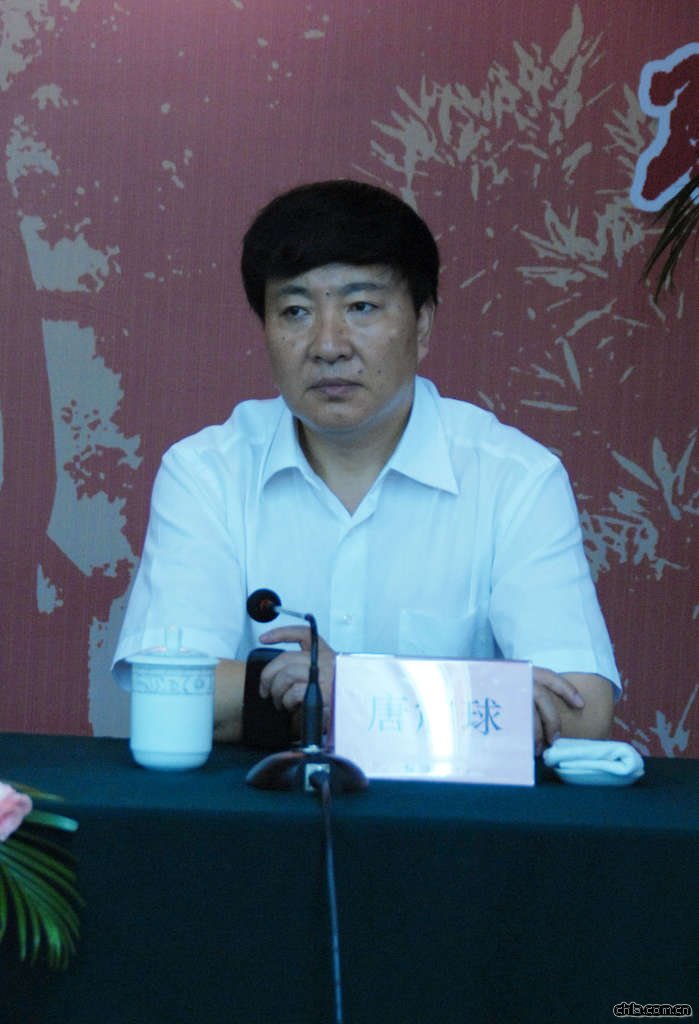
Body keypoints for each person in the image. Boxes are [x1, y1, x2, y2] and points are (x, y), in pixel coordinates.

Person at [113, 179, 620, 754]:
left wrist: (350, 690)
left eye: (361, 307)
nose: (329, 345)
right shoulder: (205, 472)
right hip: (258, 807)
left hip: (451, 811)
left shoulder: (515, 478)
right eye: (296, 311)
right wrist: (454, 703)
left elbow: (581, 708)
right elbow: (166, 694)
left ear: (422, 324)